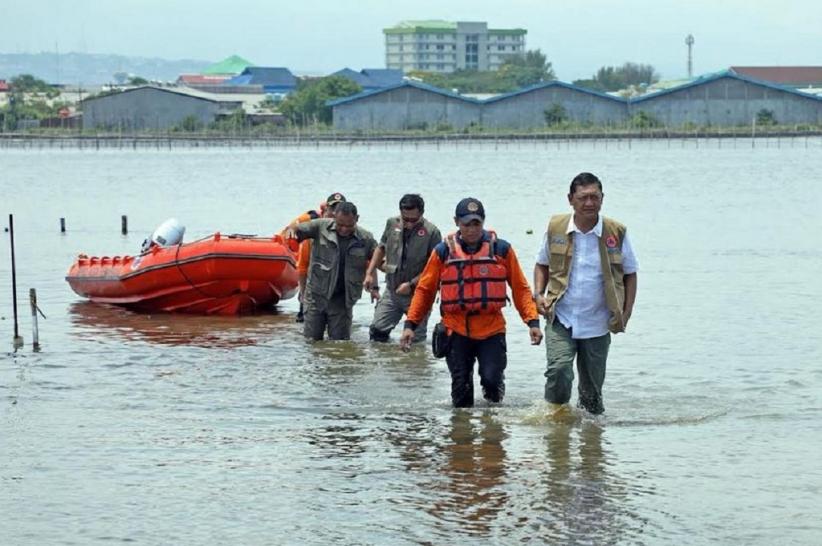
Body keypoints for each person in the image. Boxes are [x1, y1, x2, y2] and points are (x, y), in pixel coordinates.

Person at [399, 198, 543, 408]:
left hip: (491, 329)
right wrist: (410, 325)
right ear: (456, 222)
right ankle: (461, 428)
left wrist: (532, 322)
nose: (472, 229)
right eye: (466, 224)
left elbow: (520, 288)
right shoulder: (443, 252)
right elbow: (425, 291)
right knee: (461, 395)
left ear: (483, 222)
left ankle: (492, 422)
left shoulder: (501, 250)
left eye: (476, 223)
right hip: (455, 329)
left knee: (492, 383)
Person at [533, 172, 638, 415]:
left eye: (595, 197)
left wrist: (627, 312)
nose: (589, 203)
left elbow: (630, 273)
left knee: (592, 392)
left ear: (602, 198)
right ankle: (555, 420)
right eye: (583, 198)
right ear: (570, 199)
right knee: (559, 371)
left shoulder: (616, 232)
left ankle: (592, 434)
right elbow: (542, 264)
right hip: (561, 316)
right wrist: (538, 294)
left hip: (598, 321)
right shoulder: (556, 228)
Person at [288, 201, 377, 341]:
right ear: (334, 217)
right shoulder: (320, 226)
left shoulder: (366, 238)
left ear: (357, 219)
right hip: (316, 297)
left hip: (342, 300)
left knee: (340, 344)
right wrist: (292, 231)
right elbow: (296, 228)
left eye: (349, 225)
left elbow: (378, 259)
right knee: (311, 342)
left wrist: (374, 285)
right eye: (340, 225)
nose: (344, 229)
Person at [364, 194, 442, 342]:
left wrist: (411, 284)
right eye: (405, 219)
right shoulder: (392, 224)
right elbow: (381, 248)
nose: (409, 224)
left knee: (415, 340)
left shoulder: (432, 232)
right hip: (392, 291)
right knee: (377, 332)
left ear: (422, 213)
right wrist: (369, 273)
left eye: (413, 220)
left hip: (418, 294)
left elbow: (434, 269)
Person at [282, 193, 347, 322]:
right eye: (333, 209)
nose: (335, 213)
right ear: (326, 209)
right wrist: (303, 293)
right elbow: (303, 266)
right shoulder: (312, 230)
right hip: (314, 282)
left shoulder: (349, 232)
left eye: (339, 209)